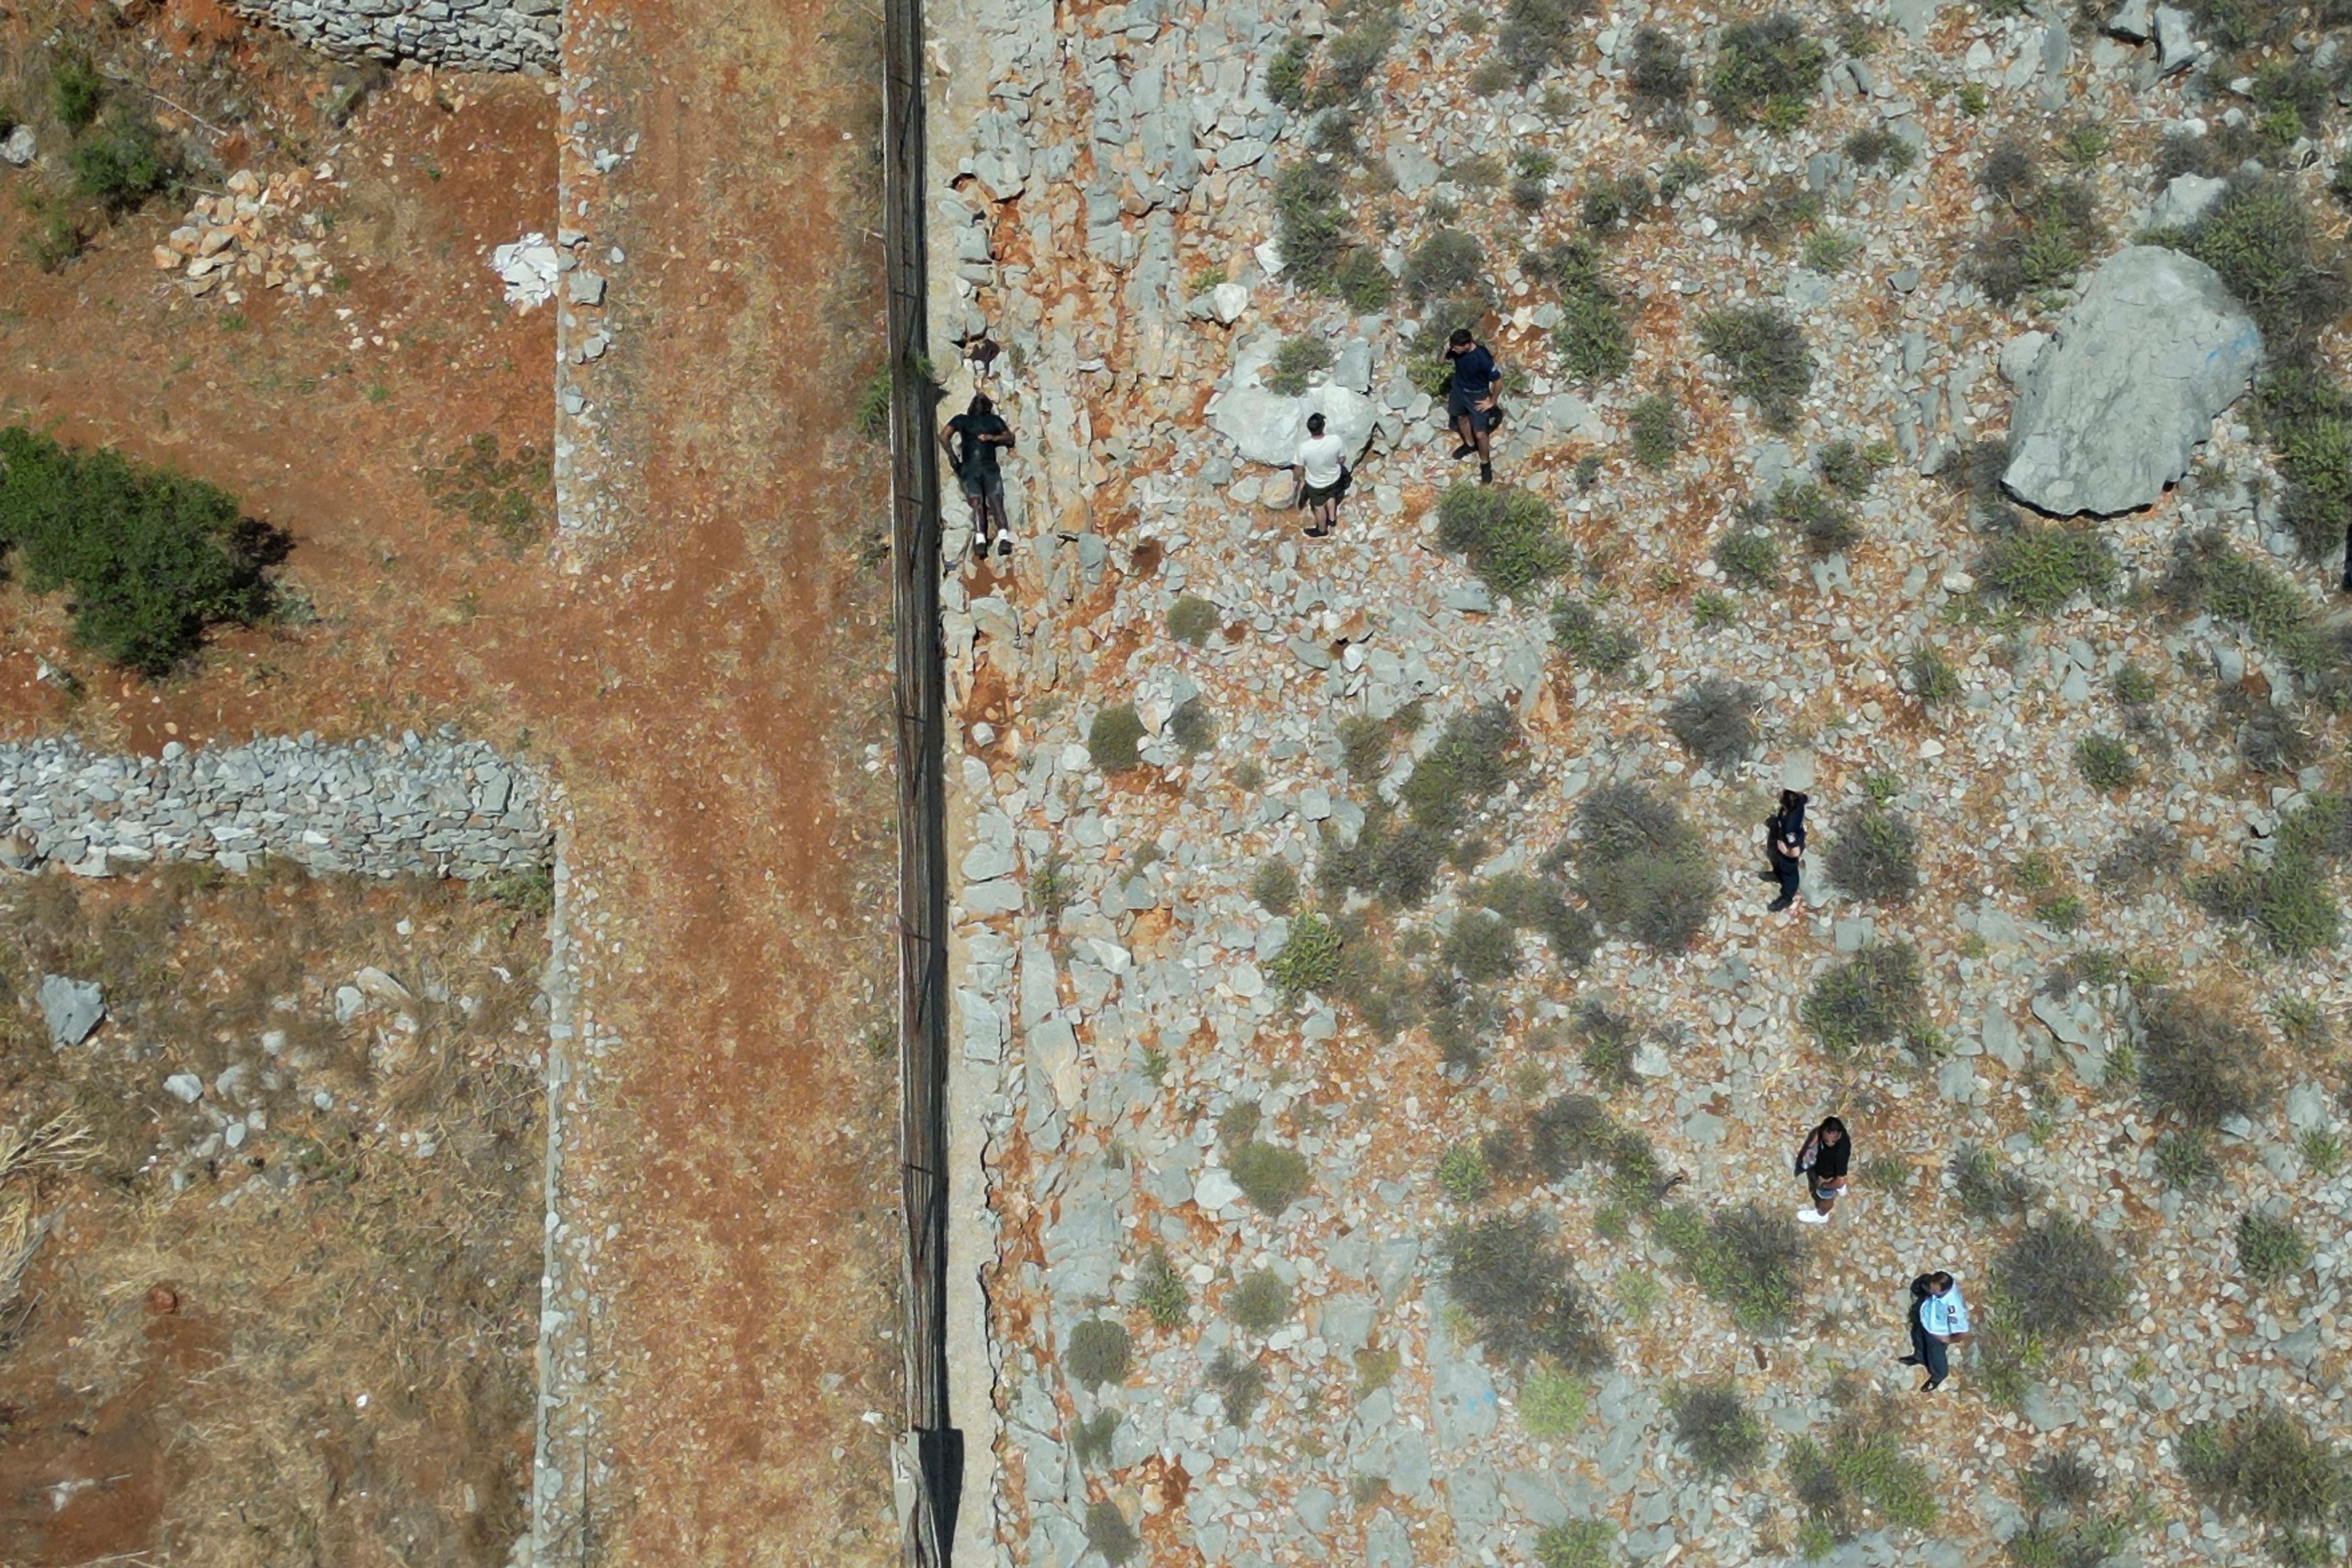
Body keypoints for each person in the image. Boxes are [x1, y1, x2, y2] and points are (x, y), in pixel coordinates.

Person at [940, 394, 1015, 560]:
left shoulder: (963, 420)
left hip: (971, 468)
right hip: (985, 466)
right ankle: (1000, 537)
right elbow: (1009, 438)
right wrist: (993, 438)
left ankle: (983, 538)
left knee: (979, 503)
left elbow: (944, 436)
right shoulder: (992, 421)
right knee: (994, 501)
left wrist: (953, 458)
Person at [1443, 328, 1500, 485]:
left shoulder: (1482, 357)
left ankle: (1485, 463)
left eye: (1456, 347)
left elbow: (1498, 381)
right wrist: (1445, 351)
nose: (1454, 350)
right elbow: (1440, 362)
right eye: (1452, 346)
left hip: (1477, 395)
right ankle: (1469, 444)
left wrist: (1492, 401)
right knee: (1461, 418)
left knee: (1481, 433)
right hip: (1459, 391)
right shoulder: (1455, 350)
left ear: (1468, 344)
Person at [1899, 1271, 1968, 1392]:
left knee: (1936, 1355)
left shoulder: (1953, 1307)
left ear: (1943, 1291)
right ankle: (1919, 1357)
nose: (1930, 1291)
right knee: (1918, 1339)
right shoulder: (1942, 1282)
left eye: (1933, 1290)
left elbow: (1962, 1333)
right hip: (1926, 1320)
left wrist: (1947, 1339)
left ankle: (1938, 1375)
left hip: (1937, 1333)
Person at [1292, 411, 1349, 539]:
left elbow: (1299, 469)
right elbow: (1342, 459)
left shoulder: (1304, 448)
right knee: (1331, 495)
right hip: (1334, 477)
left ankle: (1322, 530)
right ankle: (1332, 519)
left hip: (1316, 483)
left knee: (1318, 507)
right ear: (1323, 427)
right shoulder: (1336, 440)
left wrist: (1297, 480)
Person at [1792, 1115, 1850, 1224]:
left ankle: (1821, 1215)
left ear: (1839, 1135)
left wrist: (1824, 1185)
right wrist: (1809, 1148)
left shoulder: (1840, 1153)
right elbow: (1817, 1132)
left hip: (1829, 1175)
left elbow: (1840, 1179)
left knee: (1825, 1195)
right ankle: (1842, 1190)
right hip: (1825, 1163)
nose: (1829, 1144)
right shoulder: (1831, 1130)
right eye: (1826, 1140)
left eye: (1833, 1142)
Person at [1761, 789, 1807, 913]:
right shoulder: (1796, 805)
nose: (1780, 796)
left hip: (1788, 853)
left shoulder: (1790, 829)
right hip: (1781, 838)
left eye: (1783, 798)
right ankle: (1778, 875)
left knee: (1789, 873)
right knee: (1776, 860)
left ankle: (1787, 898)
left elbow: (1795, 851)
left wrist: (1787, 853)